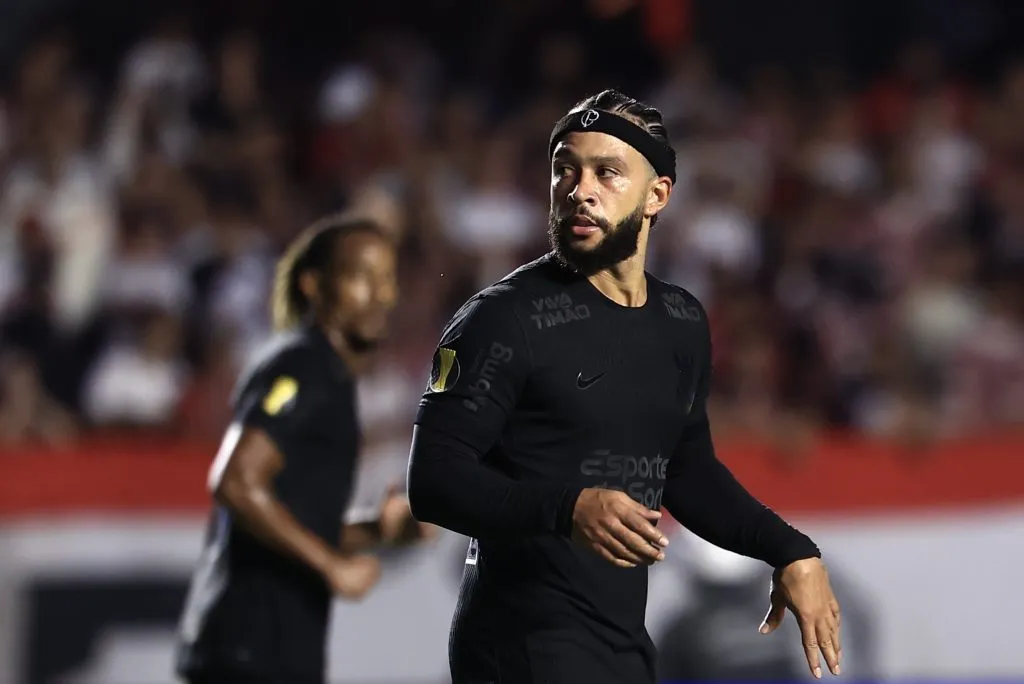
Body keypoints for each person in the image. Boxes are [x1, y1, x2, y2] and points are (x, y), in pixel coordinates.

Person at [407, 90, 843, 684]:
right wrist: (570, 506)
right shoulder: (501, 319)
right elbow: (434, 481)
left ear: (657, 194)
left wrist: (789, 547)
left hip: (620, 648)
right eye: (565, 169)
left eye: (607, 172)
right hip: (517, 648)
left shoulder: (681, 320)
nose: (579, 189)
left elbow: (688, 474)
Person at [175, 213, 432, 684]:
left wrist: (378, 528)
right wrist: (333, 567)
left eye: (387, 278)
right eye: (361, 277)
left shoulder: (327, 375)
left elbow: (300, 526)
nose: (383, 295)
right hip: (247, 650)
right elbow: (236, 481)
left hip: (272, 650)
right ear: (314, 285)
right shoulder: (302, 367)